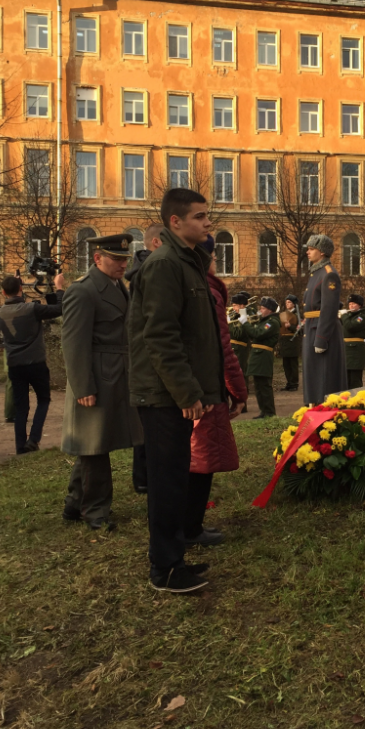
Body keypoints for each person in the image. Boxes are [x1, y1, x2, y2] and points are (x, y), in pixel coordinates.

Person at [128, 188, 225, 594]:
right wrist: (187, 393)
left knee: (175, 479)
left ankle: (173, 557)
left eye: (207, 216)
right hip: (164, 394)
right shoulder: (166, 264)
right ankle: (164, 570)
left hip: (176, 392)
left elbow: (196, 336)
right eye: (200, 217)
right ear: (175, 222)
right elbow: (162, 337)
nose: (207, 223)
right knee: (167, 481)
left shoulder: (187, 262)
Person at [61, 234, 143, 531]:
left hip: (118, 373)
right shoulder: (83, 291)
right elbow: (73, 343)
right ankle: (95, 511)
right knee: (94, 445)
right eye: (117, 259)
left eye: (125, 259)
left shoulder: (117, 286)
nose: (123, 264)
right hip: (96, 377)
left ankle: (74, 502)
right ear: (98, 258)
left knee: (93, 443)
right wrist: (83, 387)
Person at [186, 234, 247, 546]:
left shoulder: (177, 281)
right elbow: (223, 347)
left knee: (184, 458)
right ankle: (190, 527)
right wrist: (238, 391)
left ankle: (183, 524)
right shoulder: (208, 291)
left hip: (179, 385)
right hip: (204, 388)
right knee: (201, 459)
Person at [0, 272, 65, 454]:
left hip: (15, 365)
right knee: (43, 399)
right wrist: (59, 288)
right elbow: (59, 308)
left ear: (3, 292)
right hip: (35, 363)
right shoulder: (32, 309)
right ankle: (33, 439)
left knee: (21, 408)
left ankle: (20, 446)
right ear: (20, 289)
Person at [125, 222, 164, 495]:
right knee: (150, 425)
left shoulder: (143, 270)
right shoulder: (152, 273)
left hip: (144, 360)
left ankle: (144, 477)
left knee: (147, 425)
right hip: (149, 362)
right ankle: (145, 478)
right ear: (157, 244)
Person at [302, 234, 346, 406]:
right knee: (313, 375)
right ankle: (312, 407)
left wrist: (321, 338)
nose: (308, 252)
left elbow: (328, 308)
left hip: (321, 331)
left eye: (312, 249)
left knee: (324, 377)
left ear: (322, 252)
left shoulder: (329, 274)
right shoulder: (316, 273)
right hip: (312, 327)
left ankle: (322, 411)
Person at [240, 297, 281, 419]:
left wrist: (245, 323)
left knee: (264, 385)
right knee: (258, 386)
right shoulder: (264, 320)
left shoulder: (272, 322)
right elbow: (253, 332)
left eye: (263, 308)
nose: (261, 310)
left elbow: (257, 333)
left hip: (263, 355)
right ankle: (263, 411)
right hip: (257, 354)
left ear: (270, 310)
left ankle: (269, 412)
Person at [341, 294, 365, 390]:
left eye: (354, 304)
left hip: (356, 350)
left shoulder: (362, 317)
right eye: (350, 304)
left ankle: (356, 401)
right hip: (346, 348)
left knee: (355, 380)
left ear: (360, 305)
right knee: (345, 378)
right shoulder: (350, 316)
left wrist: (344, 315)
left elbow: (350, 326)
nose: (351, 306)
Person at [228, 291, 251, 408]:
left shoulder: (245, 316)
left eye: (235, 305)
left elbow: (239, 333)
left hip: (241, 349)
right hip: (232, 348)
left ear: (242, 305)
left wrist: (227, 323)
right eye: (233, 305)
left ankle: (243, 405)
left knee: (241, 375)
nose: (233, 308)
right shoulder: (234, 315)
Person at [278, 294, 301, 392]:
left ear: (294, 304)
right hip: (284, 341)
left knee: (293, 364)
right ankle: (289, 383)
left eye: (289, 302)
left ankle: (294, 383)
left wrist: (290, 326)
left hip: (293, 341)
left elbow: (301, 330)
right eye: (286, 302)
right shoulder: (284, 314)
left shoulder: (299, 315)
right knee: (286, 364)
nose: (287, 304)